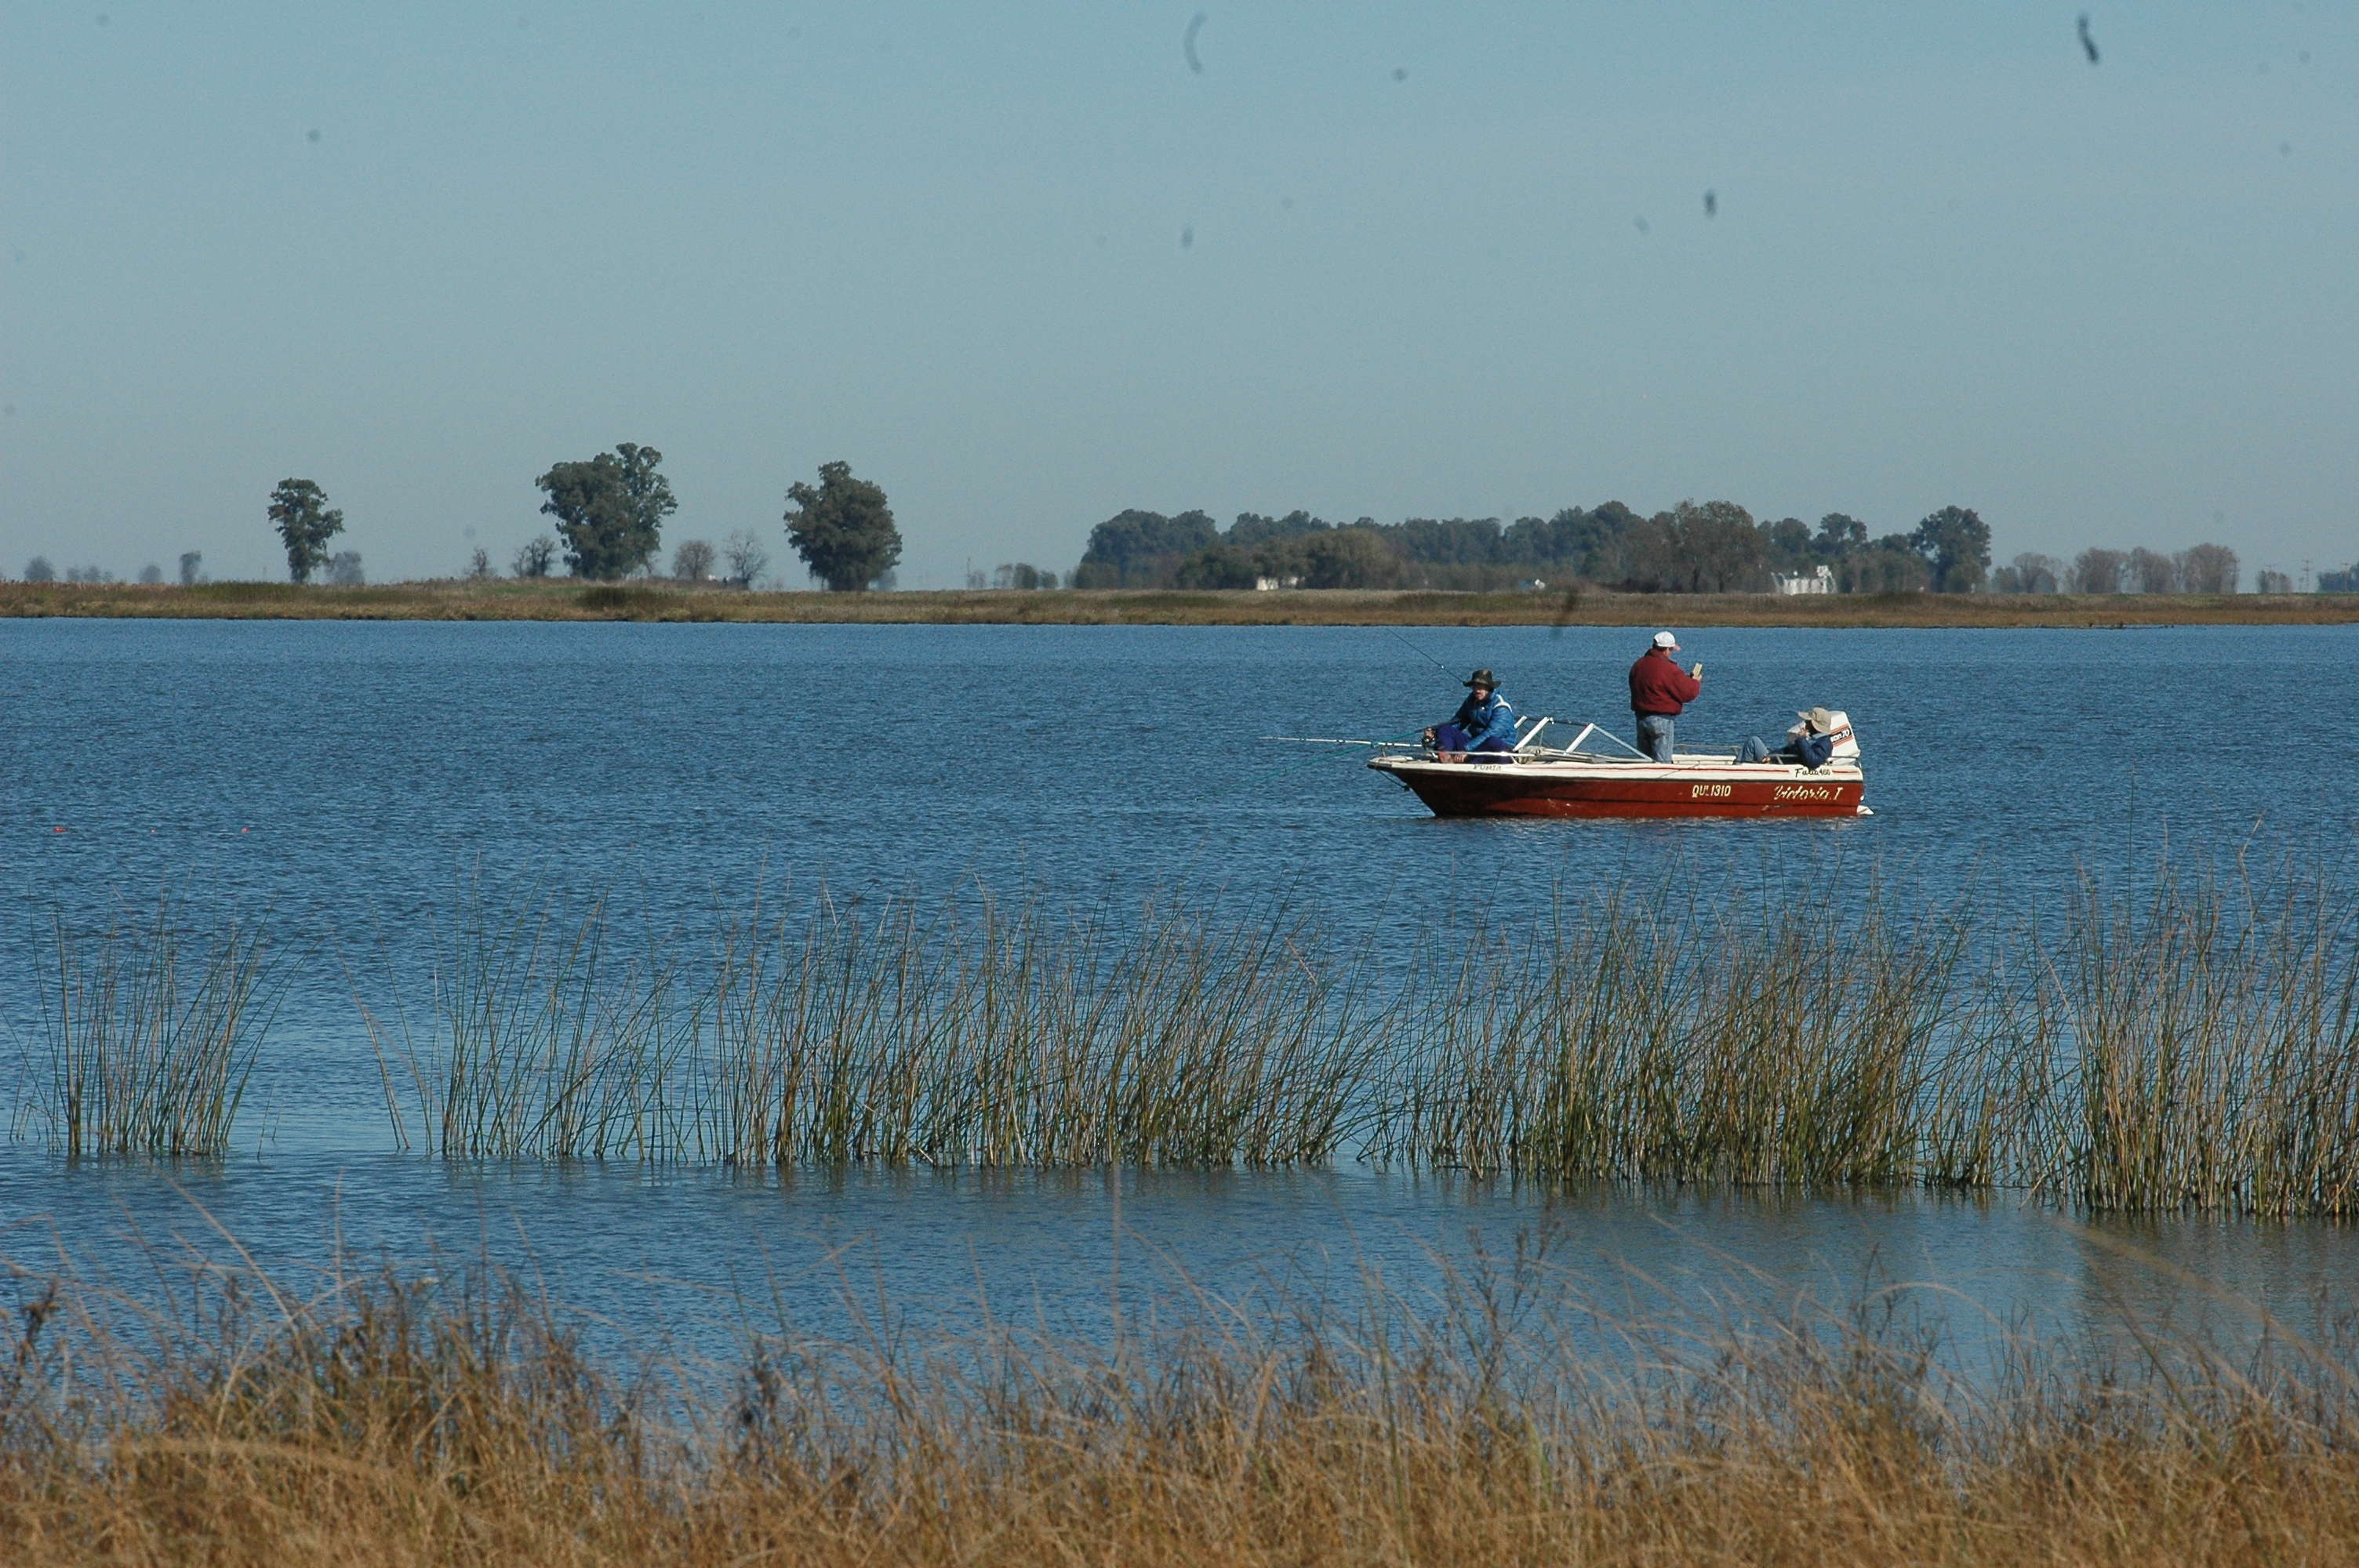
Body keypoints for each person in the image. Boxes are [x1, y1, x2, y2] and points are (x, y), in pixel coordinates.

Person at [1627, 632, 1702, 763]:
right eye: (1672, 649)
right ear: (1667, 649)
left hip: (1641, 719)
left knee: (1644, 762)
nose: (1671, 652)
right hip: (1662, 720)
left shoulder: (1638, 665)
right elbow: (1688, 693)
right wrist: (1695, 681)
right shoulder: (1669, 669)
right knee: (1662, 763)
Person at [1423, 668, 1516, 762]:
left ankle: (1466, 760)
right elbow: (1457, 723)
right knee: (1444, 728)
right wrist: (1435, 735)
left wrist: (1467, 750)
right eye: (1474, 686)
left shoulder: (1501, 706)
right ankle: (1445, 756)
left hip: (1500, 748)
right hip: (1475, 746)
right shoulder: (1472, 701)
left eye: (1480, 686)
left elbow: (1491, 733)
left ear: (1488, 687)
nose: (1477, 690)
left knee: (1494, 741)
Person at [1735, 707, 1838, 768]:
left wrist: (1801, 740)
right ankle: (1737, 769)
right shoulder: (1810, 738)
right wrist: (1770, 756)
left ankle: (1736, 774)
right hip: (1779, 763)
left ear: (1814, 725)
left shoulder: (1824, 743)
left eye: (1808, 721)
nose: (1806, 723)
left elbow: (1813, 762)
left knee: (1753, 741)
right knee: (1753, 741)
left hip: (1783, 768)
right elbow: (1787, 750)